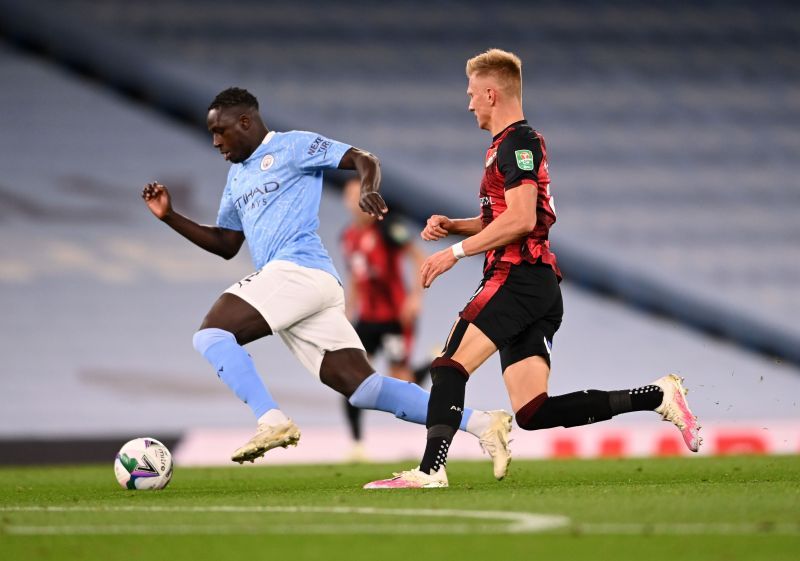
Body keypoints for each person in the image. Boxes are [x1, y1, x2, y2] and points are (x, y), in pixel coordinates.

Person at [364, 49, 701, 489]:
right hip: (537, 285)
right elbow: (511, 216)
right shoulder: (508, 146)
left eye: (471, 95)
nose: (468, 104)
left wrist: (456, 252)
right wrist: (455, 226)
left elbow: (522, 220)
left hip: (516, 278)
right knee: (533, 412)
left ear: (491, 93)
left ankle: (430, 471)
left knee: (448, 365)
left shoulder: (517, 143)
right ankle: (658, 396)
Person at [141, 87, 512, 476]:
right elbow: (226, 243)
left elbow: (362, 158)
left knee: (211, 335)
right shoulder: (236, 178)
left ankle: (270, 419)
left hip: (298, 272)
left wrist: (368, 187)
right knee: (364, 389)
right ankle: (483, 423)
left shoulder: (293, 146)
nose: (215, 141)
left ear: (245, 122)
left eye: (220, 130)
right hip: (303, 286)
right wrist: (170, 217)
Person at [340, 177, 426, 460]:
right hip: (367, 320)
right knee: (350, 377)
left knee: (402, 380)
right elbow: (355, 278)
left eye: (361, 195)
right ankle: (356, 445)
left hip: (394, 319)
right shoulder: (348, 237)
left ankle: (435, 366)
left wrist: (415, 297)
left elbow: (418, 256)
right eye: (351, 195)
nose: (356, 200)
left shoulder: (389, 228)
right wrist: (347, 312)